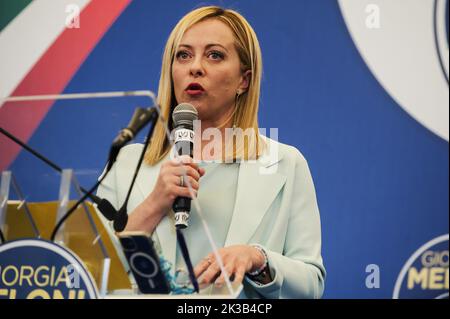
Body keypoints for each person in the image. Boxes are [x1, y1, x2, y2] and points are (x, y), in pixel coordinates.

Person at [97, 6, 325, 299]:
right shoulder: (127, 163)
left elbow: (311, 285)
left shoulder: (284, 164)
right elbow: (88, 271)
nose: (195, 67)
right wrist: (152, 205)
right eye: (183, 55)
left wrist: (257, 259)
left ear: (244, 80)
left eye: (214, 55)